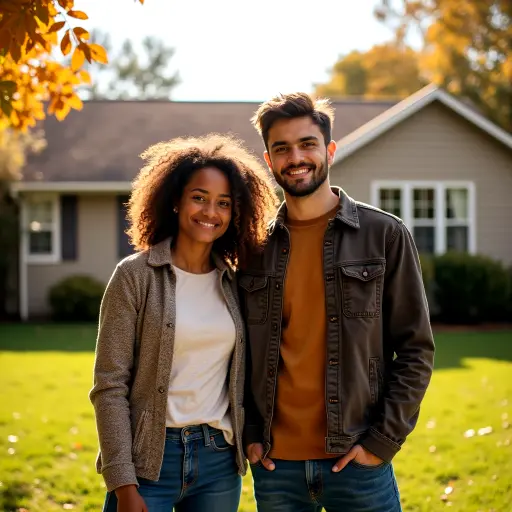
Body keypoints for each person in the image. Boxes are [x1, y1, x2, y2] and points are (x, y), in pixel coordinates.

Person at [239, 92, 435, 512]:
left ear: (329, 149)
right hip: (277, 469)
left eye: (307, 144)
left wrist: (381, 443)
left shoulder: (384, 234)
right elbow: (238, 353)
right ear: (269, 159)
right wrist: (252, 434)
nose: (296, 157)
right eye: (282, 148)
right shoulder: (253, 247)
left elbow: (416, 349)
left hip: (358, 462)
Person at [89, 134, 278, 512]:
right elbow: (109, 387)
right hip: (149, 464)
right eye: (199, 197)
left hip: (218, 462)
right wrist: (123, 482)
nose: (211, 212)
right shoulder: (135, 276)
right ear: (175, 200)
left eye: (224, 203)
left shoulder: (234, 282)